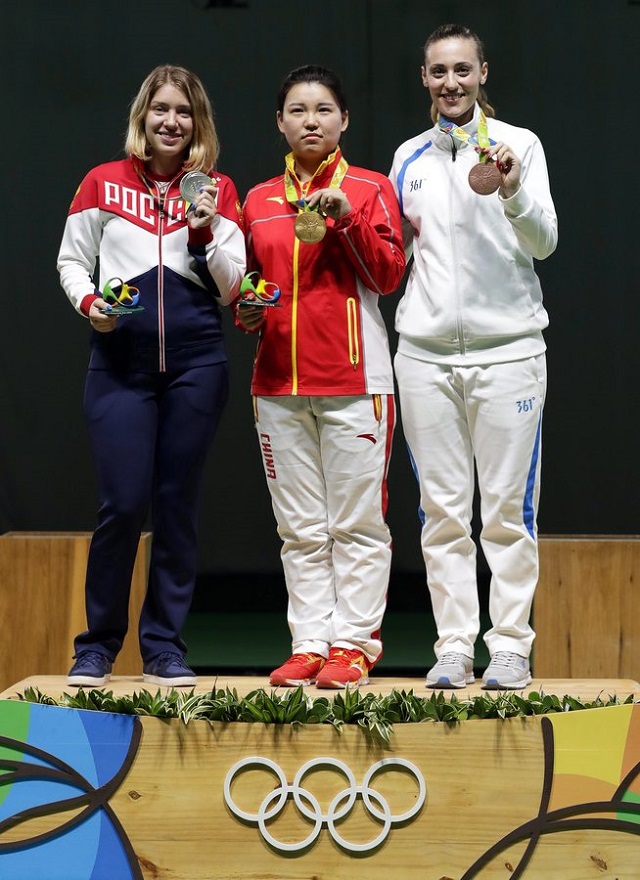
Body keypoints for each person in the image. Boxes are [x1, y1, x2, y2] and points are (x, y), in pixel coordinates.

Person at [57, 64, 245, 688]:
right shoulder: (102, 183)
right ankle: (98, 646)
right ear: (142, 117)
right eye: (161, 109)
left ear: (199, 124)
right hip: (118, 368)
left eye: (184, 112)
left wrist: (203, 226)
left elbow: (232, 291)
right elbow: (71, 261)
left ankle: (163, 646)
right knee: (123, 504)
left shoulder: (218, 190)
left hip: (197, 365)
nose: (172, 121)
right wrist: (92, 307)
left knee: (176, 506)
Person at [389, 24, 557, 690]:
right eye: (438, 72)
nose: (451, 83)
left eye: (462, 70)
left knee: (508, 510)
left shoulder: (520, 144)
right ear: (424, 79)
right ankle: (455, 645)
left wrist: (513, 189)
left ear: (483, 72)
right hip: (425, 356)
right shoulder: (408, 159)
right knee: (441, 510)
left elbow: (544, 242)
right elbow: (392, 257)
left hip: (510, 351)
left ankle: (510, 644)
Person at [238, 65, 405, 689]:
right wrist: (247, 311)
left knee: (357, 523)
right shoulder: (257, 201)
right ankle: (309, 642)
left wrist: (345, 219)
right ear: (280, 123)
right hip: (277, 385)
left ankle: (354, 645)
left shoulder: (369, 187)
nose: (312, 120)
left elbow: (389, 276)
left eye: (324, 110)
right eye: (299, 111)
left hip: (357, 382)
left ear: (344, 121)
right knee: (299, 528)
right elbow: (253, 292)